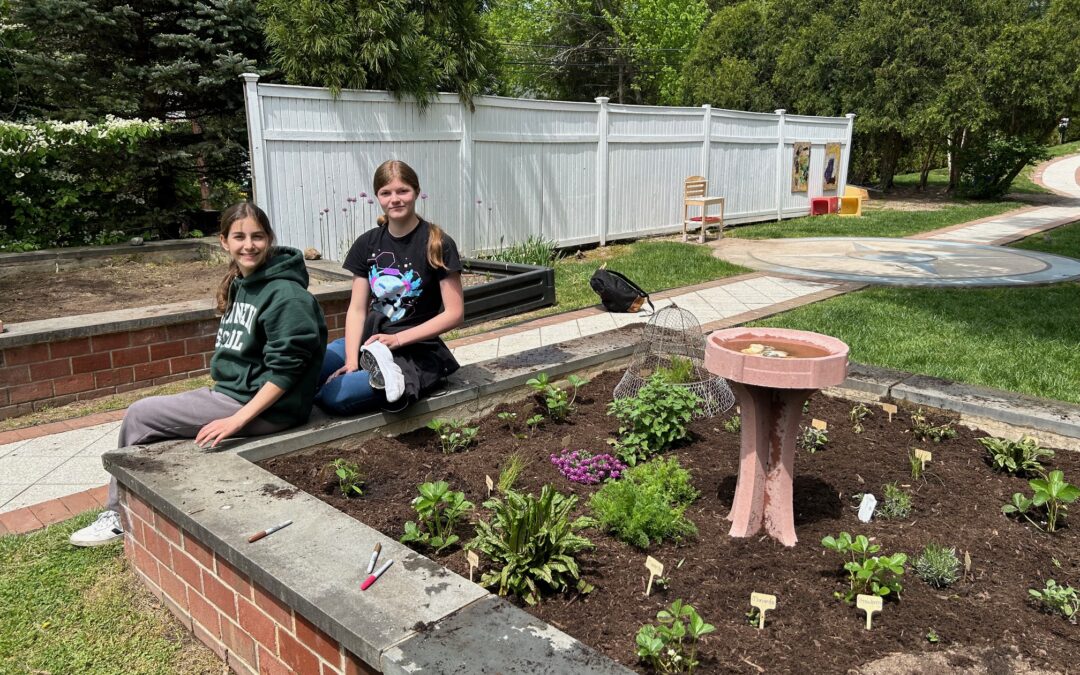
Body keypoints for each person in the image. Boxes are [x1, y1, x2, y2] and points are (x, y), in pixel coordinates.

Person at [70, 202, 328, 546]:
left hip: (266, 408)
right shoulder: (243, 283)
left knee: (140, 415)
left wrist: (236, 421)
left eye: (257, 236)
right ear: (224, 241)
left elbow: (287, 371)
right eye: (239, 236)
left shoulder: (286, 295)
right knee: (155, 421)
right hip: (232, 395)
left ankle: (117, 514)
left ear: (270, 239)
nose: (248, 245)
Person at [315, 159, 464, 416]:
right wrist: (351, 360)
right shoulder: (367, 244)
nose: (395, 199)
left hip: (413, 348)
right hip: (369, 339)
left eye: (402, 191)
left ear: (416, 192)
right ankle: (359, 368)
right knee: (310, 367)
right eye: (386, 193)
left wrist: (396, 339)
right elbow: (357, 309)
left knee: (335, 396)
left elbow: (454, 313)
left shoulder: (438, 244)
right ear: (377, 197)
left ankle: (398, 377)